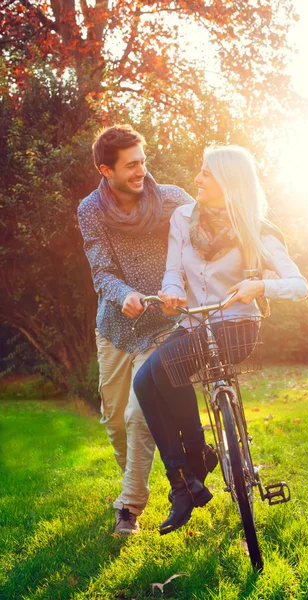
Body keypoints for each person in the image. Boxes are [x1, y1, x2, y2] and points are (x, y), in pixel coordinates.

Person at [133, 144, 308, 535]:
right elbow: (172, 271)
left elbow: (300, 285)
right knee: (143, 379)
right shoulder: (183, 218)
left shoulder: (258, 229)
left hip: (235, 328)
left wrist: (259, 285)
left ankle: (193, 464)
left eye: (205, 173)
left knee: (163, 369)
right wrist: (172, 292)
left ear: (229, 182)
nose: (196, 179)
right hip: (195, 324)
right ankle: (184, 479)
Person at [77, 124, 195, 534]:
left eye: (143, 161)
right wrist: (123, 292)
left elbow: (209, 234)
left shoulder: (173, 201)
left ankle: (129, 506)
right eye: (131, 165)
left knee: (137, 414)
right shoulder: (90, 209)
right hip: (115, 325)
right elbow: (101, 270)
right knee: (114, 421)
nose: (141, 171)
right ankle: (144, 474)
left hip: (163, 323)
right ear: (106, 170)